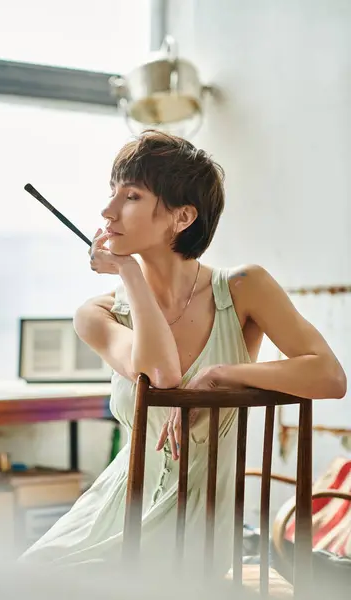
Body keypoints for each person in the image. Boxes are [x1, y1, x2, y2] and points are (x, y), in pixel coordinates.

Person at [20, 130, 347, 574]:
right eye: (111, 194)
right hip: (118, 512)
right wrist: (131, 276)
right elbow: (163, 375)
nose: (107, 211)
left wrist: (224, 373)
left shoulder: (243, 288)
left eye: (131, 196)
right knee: (26, 576)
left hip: (200, 530)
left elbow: (329, 377)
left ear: (182, 217)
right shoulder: (97, 315)